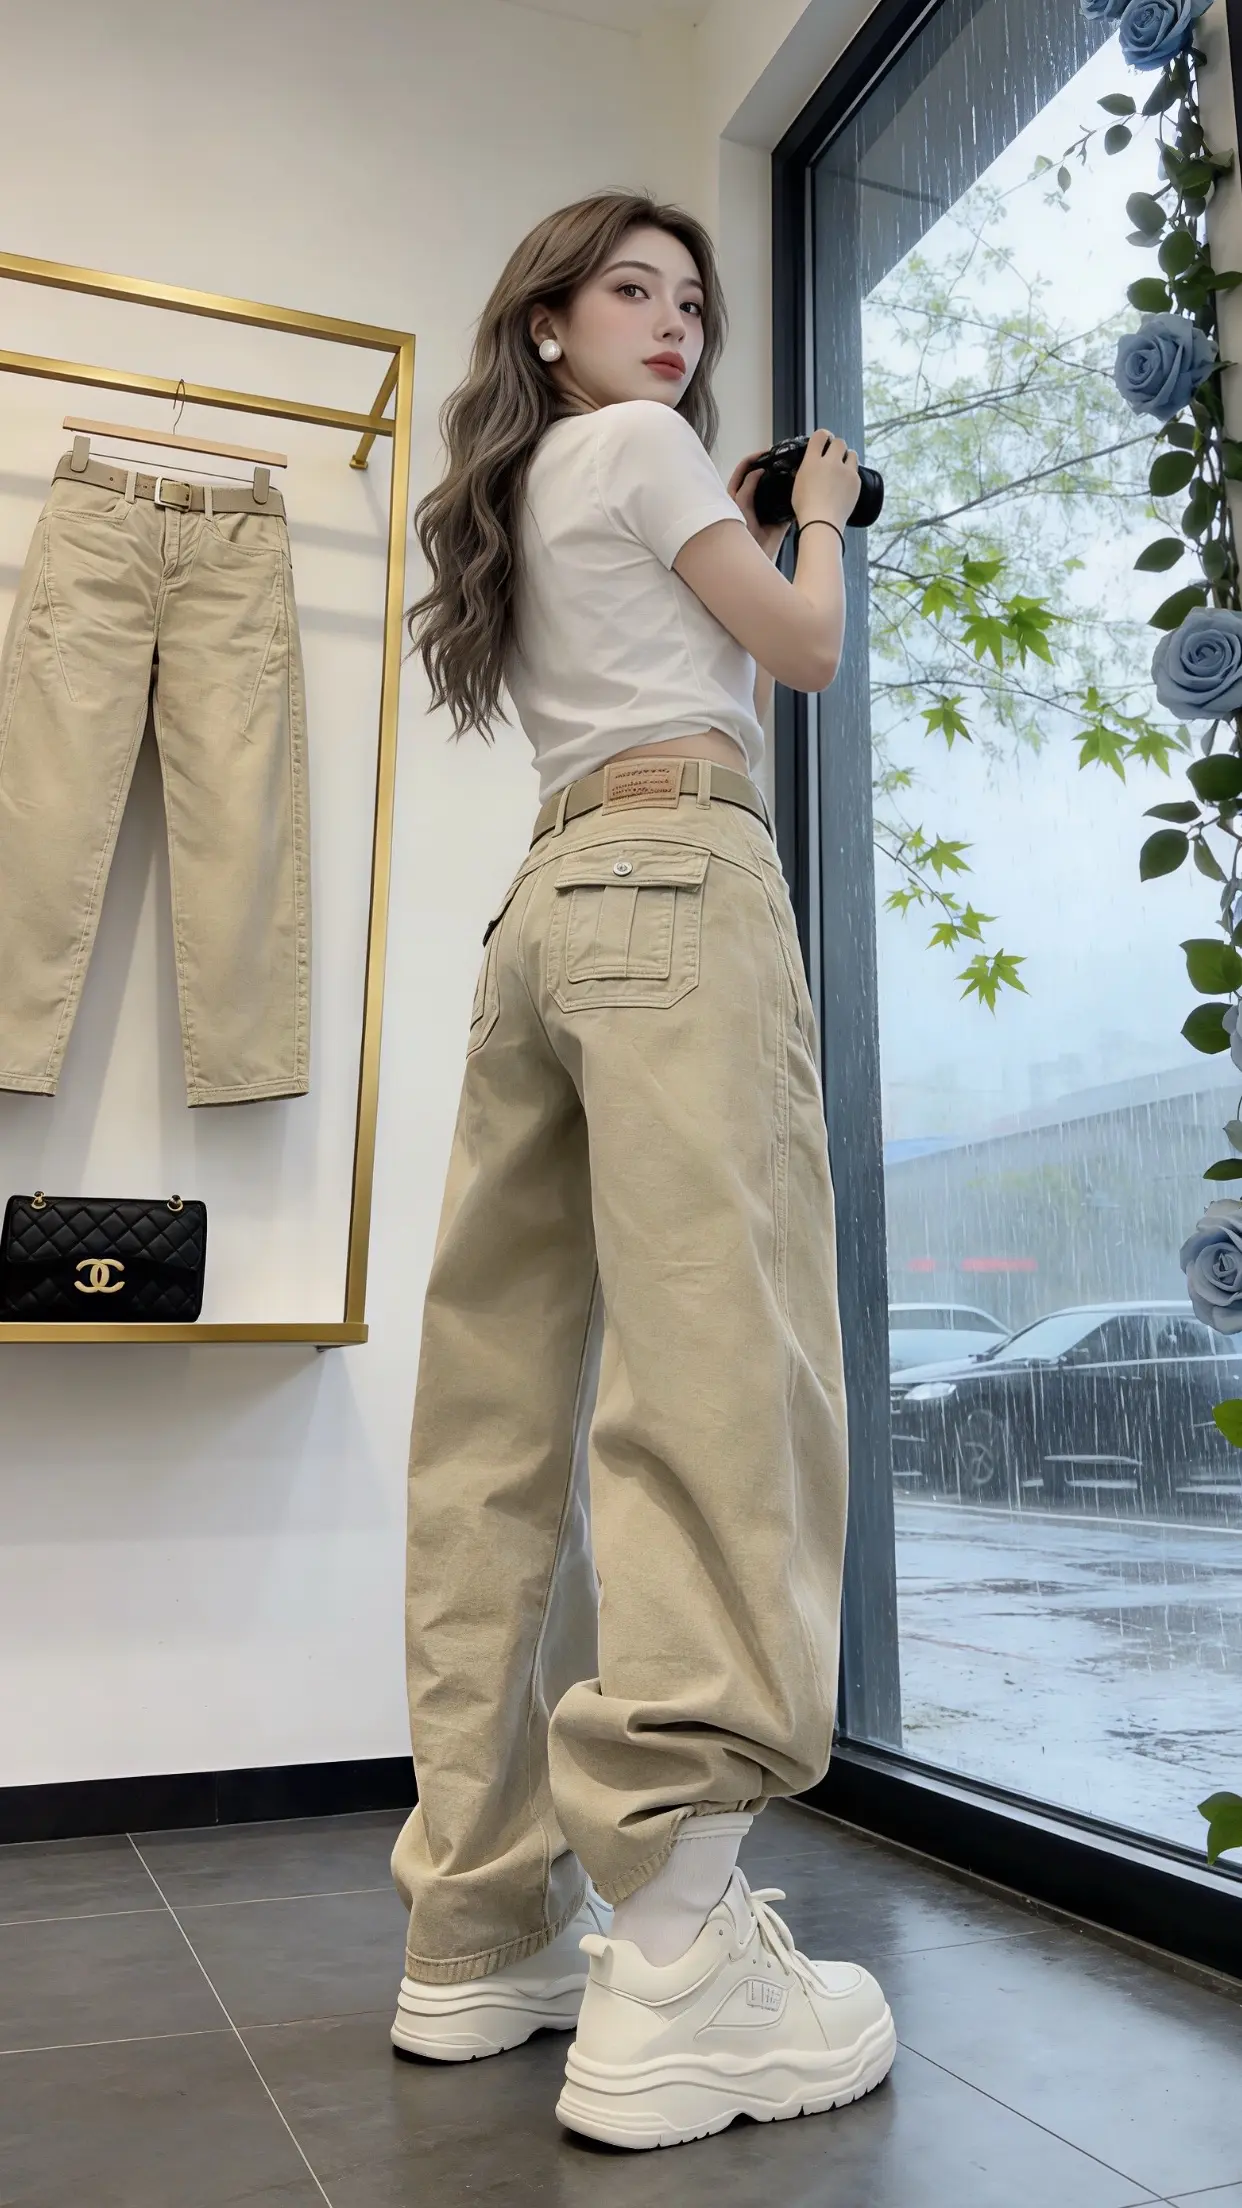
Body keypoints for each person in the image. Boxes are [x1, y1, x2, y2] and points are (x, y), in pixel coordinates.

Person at [387, 188, 895, 2152]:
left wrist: (735, 525)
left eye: (691, 299)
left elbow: (679, 647)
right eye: (631, 290)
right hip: (681, 879)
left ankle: (477, 1927)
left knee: (492, 1427)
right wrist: (816, 520)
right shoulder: (643, 447)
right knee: (716, 1374)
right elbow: (802, 650)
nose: (675, 325)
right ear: (548, 320)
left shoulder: (515, 498)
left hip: (543, 916)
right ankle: (679, 1953)